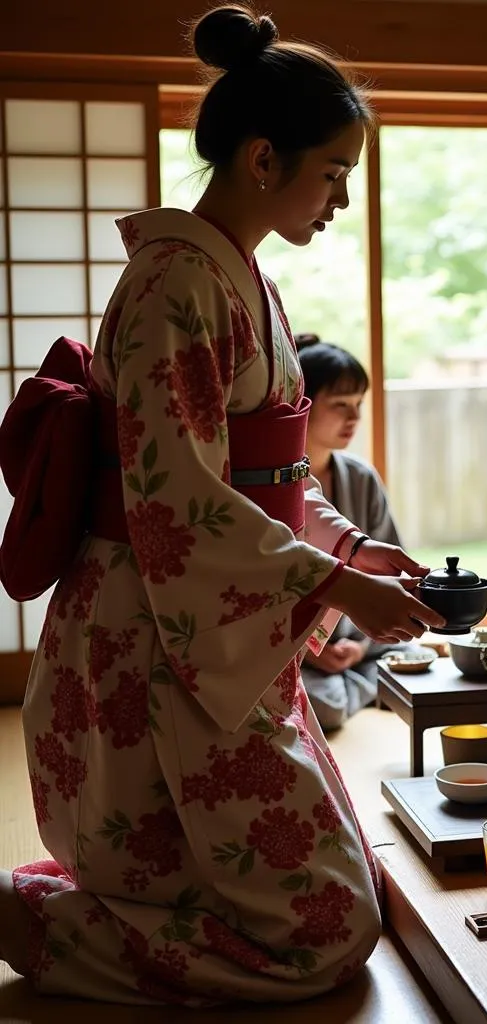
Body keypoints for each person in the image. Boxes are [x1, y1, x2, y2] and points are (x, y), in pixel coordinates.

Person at [0, 4, 446, 1003]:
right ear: (261, 158)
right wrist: (330, 581)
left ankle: (72, 913)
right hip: (161, 627)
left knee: (328, 891)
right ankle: (34, 919)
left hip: (209, 616)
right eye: (332, 172)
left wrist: (351, 549)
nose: (340, 199)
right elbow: (177, 500)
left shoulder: (235, 276)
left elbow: (266, 475)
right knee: (327, 932)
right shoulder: (178, 284)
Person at [296, 335, 410, 730]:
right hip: (292, 644)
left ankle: (357, 675)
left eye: (359, 404)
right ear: (303, 404)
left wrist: (359, 647)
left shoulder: (360, 478)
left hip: (358, 637)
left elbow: (391, 571)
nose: (354, 417)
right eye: (340, 404)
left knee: (408, 645)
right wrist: (310, 653)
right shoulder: (278, 482)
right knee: (325, 707)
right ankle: (363, 685)